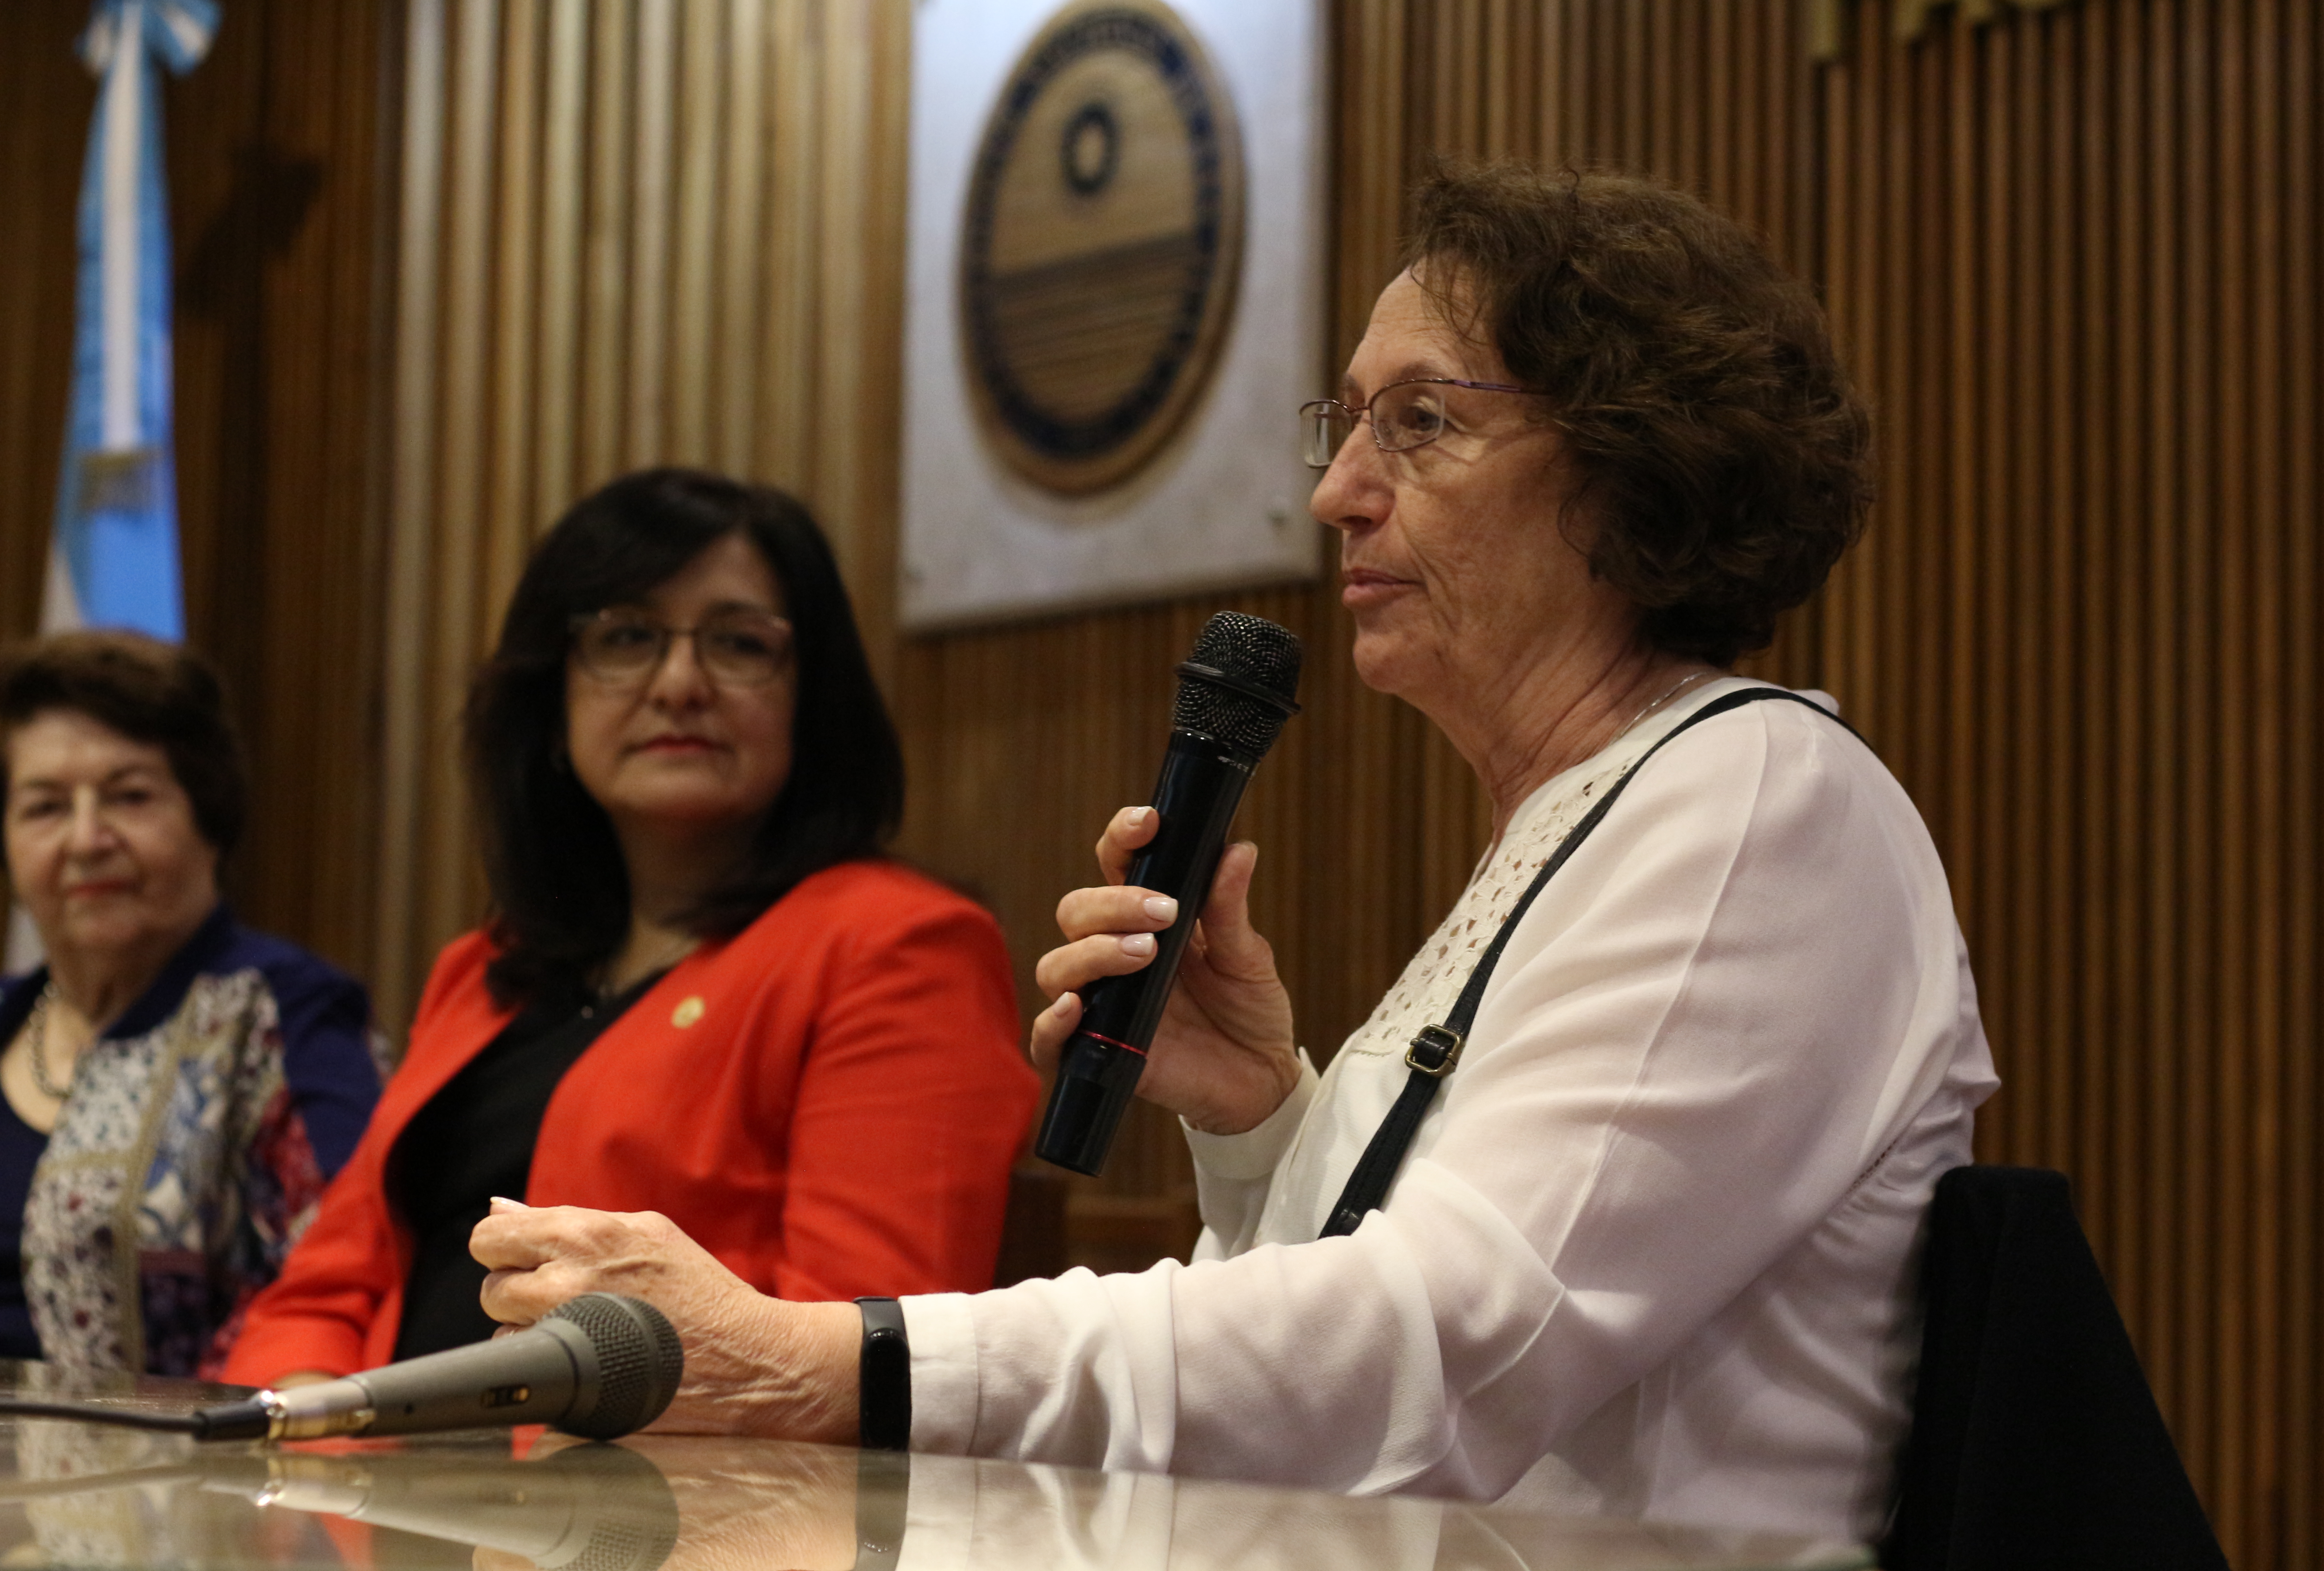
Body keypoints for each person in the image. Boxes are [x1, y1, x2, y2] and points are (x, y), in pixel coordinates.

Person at [458, 167, 2001, 1540]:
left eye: (1423, 422)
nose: (1337, 491)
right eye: (1346, 425)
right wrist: (1266, 1118)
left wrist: (839, 1356)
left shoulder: (1751, 799)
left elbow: (1439, 1358)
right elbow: (1372, 1345)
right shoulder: (1578, 823)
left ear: (1632, 463)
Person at [221, 470, 1037, 1383]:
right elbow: (322, 1293)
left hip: (653, 1518)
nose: (681, 683)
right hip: (372, 1491)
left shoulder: (900, 947)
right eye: (627, 637)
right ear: (553, 692)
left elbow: (855, 1354)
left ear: (814, 695)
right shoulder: (489, 966)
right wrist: (307, 1447)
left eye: (738, 643)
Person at [0, 632, 381, 1378]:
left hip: (173, 1479)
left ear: (209, 815)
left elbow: (337, 1282)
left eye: (130, 797)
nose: (86, 840)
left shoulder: (284, 1015)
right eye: (45, 807)